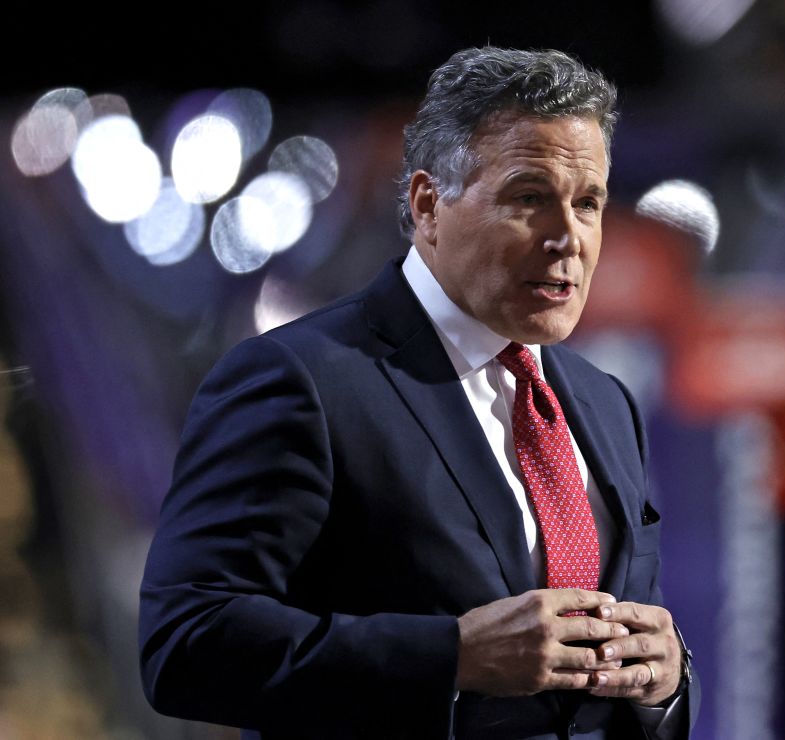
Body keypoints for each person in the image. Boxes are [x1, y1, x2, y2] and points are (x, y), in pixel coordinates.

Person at [139, 47, 696, 739]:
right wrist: (451, 657)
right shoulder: (299, 379)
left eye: (588, 204)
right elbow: (185, 644)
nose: (567, 238)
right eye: (530, 197)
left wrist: (663, 680)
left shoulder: (605, 403)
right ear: (429, 204)